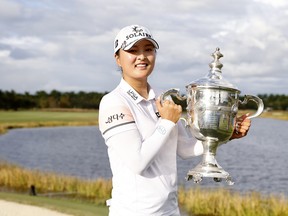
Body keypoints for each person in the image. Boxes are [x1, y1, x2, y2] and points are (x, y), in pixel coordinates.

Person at [98, 24, 251, 216]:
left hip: (170, 210)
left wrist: (225, 135)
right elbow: (137, 162)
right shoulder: (114, 102)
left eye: (148, 49)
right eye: (133, 50)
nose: (142, 56)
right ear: (118, 59)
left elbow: (185, 149)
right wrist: (167, 122)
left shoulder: (163, 98)